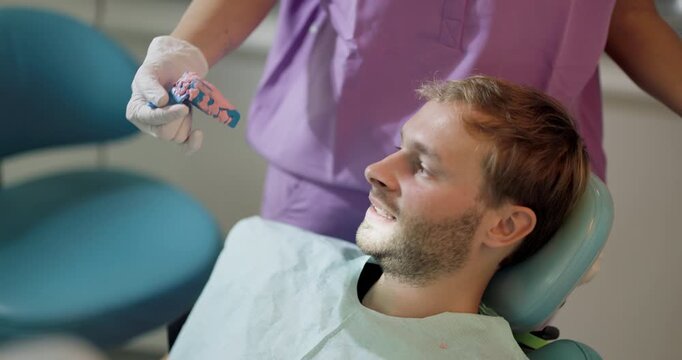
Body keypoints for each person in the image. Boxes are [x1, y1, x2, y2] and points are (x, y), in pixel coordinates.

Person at [126, 0, 681, 243]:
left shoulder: (508, 219)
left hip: (515, 183)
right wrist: (185, 49)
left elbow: (628, 12)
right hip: (331, 159)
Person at [166, 76, 589, 359]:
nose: (376, 171)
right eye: (398, 147)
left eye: (423, 166)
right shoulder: (272, 256)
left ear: (504, 226)